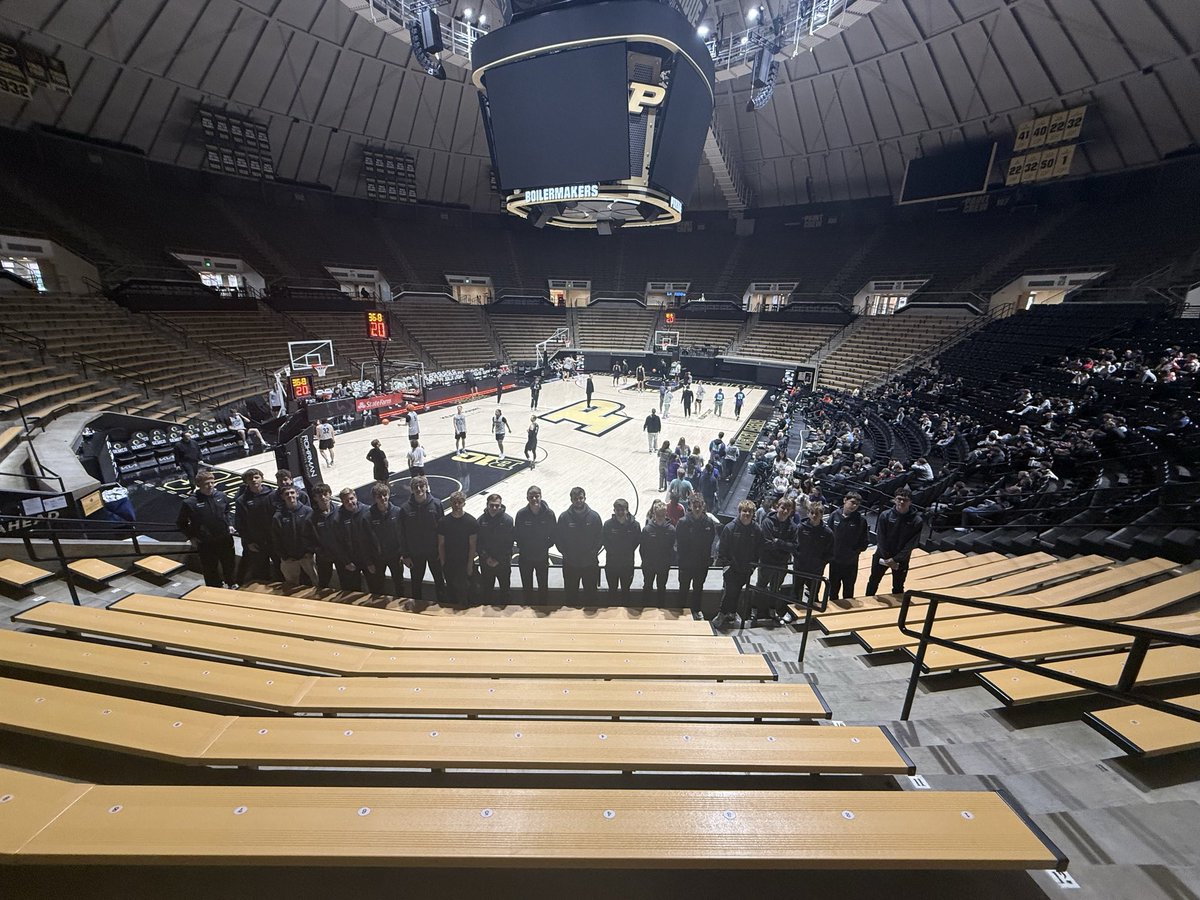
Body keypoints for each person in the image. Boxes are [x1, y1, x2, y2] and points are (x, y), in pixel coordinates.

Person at [176, 469, 236, 588]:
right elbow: (181, 522)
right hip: (206, 542)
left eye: (212, 482)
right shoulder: (190, 502)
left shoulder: (221, 496)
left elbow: (227, 511)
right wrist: (191, 536)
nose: (210, 486)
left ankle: (231, 583)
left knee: (229, 564)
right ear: (199, 485)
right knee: (210, 568)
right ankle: (214, 589)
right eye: (206, 483)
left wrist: (229, 524)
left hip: (224, 538)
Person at [864, 488, 925, 596]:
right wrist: (888, 558)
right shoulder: (885, 515)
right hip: (882, 555)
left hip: (901, 560)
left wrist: (895, 559)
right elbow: (881, 538)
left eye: (905, 500)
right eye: (899, 499)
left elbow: (912, 543)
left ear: (910, 502)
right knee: (873, 581)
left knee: (898, 586)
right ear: (894, 500)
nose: (901, 502)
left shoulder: (917, 521)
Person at [715, 499, 763, 627]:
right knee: (729, 592)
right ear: (739, 512)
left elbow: (758, 550)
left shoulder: (756, 530)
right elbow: (723, 550)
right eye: (744, 511)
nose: (747, 514)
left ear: (753, 514)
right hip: (731, 569)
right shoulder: (730, 528)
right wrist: (727, 566)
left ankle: (732, 613)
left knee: (737, 592)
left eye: (749, 511)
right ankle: (721, 614)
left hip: (746, 569)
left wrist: (753, 566)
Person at [399, 475, 446, 606]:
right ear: (411, 489)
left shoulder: (437, 504)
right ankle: (417, 607)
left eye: (421, 486)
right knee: (416, 583)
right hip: (415, 554)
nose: (419, 489)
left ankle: (442, 605)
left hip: (434, 552)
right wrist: (406, 555)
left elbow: (442, 530)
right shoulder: (405, 509)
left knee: (439, 580)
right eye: (415, 487)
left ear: (426, 487)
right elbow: (402, 534)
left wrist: (441, 551)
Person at [556, 486, 602, 604]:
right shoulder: (564, 517)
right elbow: (558, 538)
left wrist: (592, 553)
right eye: (575, 498)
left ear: (585, 498)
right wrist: (566, 554)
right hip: (570, 564)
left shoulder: (594, 517)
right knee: (570, 596)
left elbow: (600, 538)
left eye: (580, 498)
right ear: (571, 500)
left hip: (590, 564)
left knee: (591, 596)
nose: (578, 501)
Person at [755, 496, 798, 622]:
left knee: (776, 588)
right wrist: (784, 546)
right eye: (783, 507)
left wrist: (778, 542)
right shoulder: (767, 522)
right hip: (767, 562)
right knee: (761, 586)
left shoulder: (793, 527)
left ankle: (772, 610)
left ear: (791, 511)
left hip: (781, 563)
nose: (785, 511)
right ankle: (757, 610)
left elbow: (794, 546)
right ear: (777, 507)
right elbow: (766, 543)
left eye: (788, 509)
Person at [791, 501, 834, 622]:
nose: (814, 516)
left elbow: (830, 552)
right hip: (800, 567)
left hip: (816, 569)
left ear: (822, 515)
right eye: (812, 513)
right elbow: (794, 546)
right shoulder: (800, 528)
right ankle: (794, 615)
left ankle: (812, 618)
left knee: (814, 593)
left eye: (817, 513)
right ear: (809, 513)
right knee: (796, 591)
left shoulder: (827, 533)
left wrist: (821, 563)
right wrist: (798, 558)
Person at [676, 496, 717, 619]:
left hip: (701, 563)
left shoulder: (708, 522)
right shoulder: (683, 522)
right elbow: (679, 543)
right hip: (686, 563)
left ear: (703, 506)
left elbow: (710, 541)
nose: (697, 508)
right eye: (695, 506)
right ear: (690, 506)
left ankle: (696, 610)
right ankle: (681, 610)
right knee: (683, 588)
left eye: (700, 506)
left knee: (698, 588)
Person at [515, 485, 555, 604]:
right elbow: (517, 534)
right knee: (527, 585)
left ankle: (543, 606)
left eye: (536, 496)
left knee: (543, 585)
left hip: (542, 557)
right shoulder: (521, 514)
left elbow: (554, 534)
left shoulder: (549, 514)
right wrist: (526, 547)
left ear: (541, 497)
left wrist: (543, 546)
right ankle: (528, 607)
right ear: (527, 498)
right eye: (531, 497)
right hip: (525, 557)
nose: (534, 499)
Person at [826, 491, 869, 604]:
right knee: (833, 589)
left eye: (857, 504)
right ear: (845, 500)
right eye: (853, 502)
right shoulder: (834, 515)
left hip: (851, 563)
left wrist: (854, 552)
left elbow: (864, 542)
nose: (854, 506)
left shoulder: (861, 521)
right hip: (835, 561)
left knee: (848, 590)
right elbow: (827, 535)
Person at [272, 485, 318, 588]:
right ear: (282, 497)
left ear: (297, 494)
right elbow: (276, 538)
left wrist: (310, 551)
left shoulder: (308, 511)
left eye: (292, 493)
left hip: (307, 556)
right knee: (291, 584)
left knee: (316, 581)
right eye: (286, 494)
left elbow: (313, 534)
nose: (290, 495)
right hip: (289, 558)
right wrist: (284, 556)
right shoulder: (278, 516)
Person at [234, 468, 274, 584]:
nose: (254, 480)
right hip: (256, 542)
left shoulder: (273, 494)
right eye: (250, 478)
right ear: (246, 482)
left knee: (279, 568)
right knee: (261, 572)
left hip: (274, 540)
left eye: (256, 477)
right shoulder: (241, 501)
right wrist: (248, 542)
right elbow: (240, 524)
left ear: (262, 478)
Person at [438, 490, 478, 607]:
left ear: (464, 503)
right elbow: (441, 544)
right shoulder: (443, 522)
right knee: (451, 592)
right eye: (454, 502)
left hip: (464, 563)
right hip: (450, 562)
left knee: (464, 594)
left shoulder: (471, 522)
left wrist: (470, 565)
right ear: (450, 503)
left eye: (459, 502)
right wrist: (443, 562)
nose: (457, 505)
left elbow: (472, 546)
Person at [365, 482, 405, 596]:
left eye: (385, 495)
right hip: (377, 557)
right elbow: (365, 540)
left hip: (395, 556)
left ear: (389, 494)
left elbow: (402, 535)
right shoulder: (368, 517)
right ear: (374, 499)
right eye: (379, 496)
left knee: (399, 583)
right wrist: (369, 561)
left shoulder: (397, 512)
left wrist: (403, 553)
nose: (383, 498)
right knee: (378, 584)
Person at [476, 493, 514, 606]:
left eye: (497, 505)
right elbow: (478, 543)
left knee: (505, 590)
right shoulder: (480, 521)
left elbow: (509, 543)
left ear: (501, 506)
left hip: (503, 563)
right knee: (486, 591)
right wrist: (487, 558)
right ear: (487, 505)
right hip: (486, 563)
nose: (494, 508)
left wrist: (498, 559)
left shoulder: (508, 520)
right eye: (491, 505)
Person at [334, 486, 373, 592]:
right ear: (342, 502)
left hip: (369, 559)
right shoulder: (338, 519)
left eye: (351, 498)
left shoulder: (368, 511)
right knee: (354, 590)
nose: (350, 502)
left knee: (375, 587)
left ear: (356, 497)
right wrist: (346, 562)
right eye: (346, 501)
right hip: (352, 561)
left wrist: (373, 560)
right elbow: (338, 543)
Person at [309, 484, 348, 590]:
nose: (323, 497)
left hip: (341, 555)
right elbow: (309, 538)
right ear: (315, 498)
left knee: (346, 581)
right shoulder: (312, 518)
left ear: (330, 494)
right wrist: (319, 550)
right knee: (323, 582)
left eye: (325, 494)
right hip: (324, 557)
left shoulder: (340, 512)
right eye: (319, 495)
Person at [601, 498, 640, 602]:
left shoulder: (635, 525)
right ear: (614, 510)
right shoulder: (608, 525)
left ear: (627, 510)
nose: (620, 512)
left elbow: (637, 541)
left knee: (626, 591)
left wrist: (627, 551)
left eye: (622, 510)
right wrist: (614, 552)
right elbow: (605, 541)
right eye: (617, 510)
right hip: (612, 564)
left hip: (627, 564)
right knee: (612, 591)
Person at [639, 500, 675, 608]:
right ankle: (645, 608)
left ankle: (661, 607)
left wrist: (668, 562)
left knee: (661, 587)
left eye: (663, 515)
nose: (660, 517)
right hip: (649, 565)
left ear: (666, 514)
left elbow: (672, 547)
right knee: (647, 587)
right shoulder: (647, 530)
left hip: (663, 565)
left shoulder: (671, 530)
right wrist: (645, 562)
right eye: (658, 515)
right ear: (654, 514)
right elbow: (642, 549)